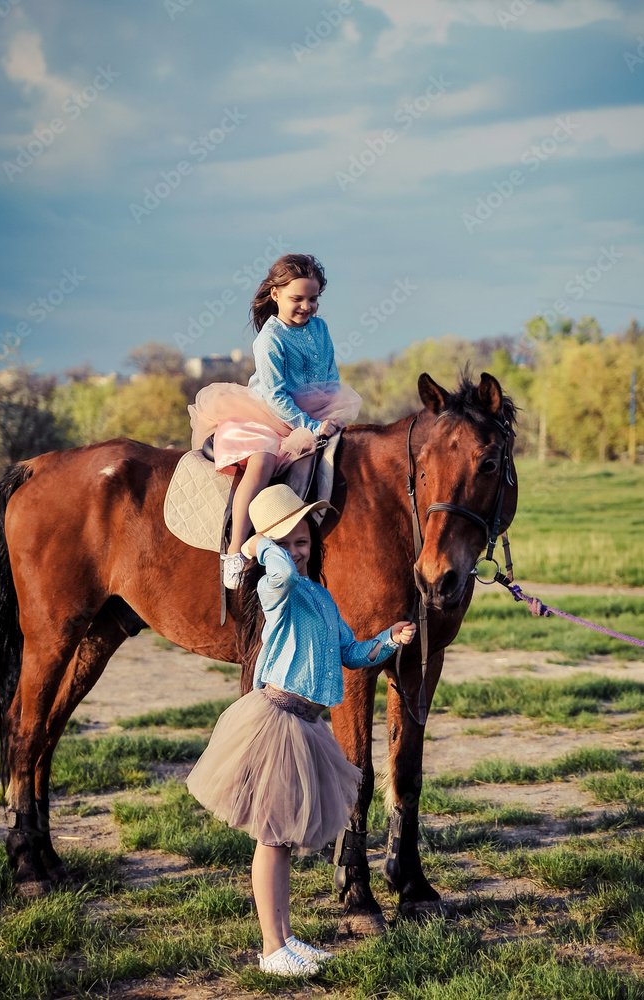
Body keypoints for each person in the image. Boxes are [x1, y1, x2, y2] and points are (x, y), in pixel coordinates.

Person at [186, 484, 415, 976]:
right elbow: (284, 572)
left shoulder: (323, 597)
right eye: (285, 541)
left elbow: (352, 655)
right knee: (271, 837)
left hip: (307, 724)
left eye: (303, 540)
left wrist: (388, 640)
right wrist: (256, 546)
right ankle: (271, 950)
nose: (296, 550)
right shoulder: (276, 589)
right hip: (276, 720)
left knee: (285, 838)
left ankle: (286, 937)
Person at [188, 253, 361, 589]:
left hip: (314, 411)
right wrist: (309, 426)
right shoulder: (270, 338)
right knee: (263, 460)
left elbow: (330, 375)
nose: (307, 306)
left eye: (313, 299)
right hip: (267, 414)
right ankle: (236, 551)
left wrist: (332, 413)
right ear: (276, 294)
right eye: (298, 299)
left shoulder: (320, 328)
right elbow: (274, 395)